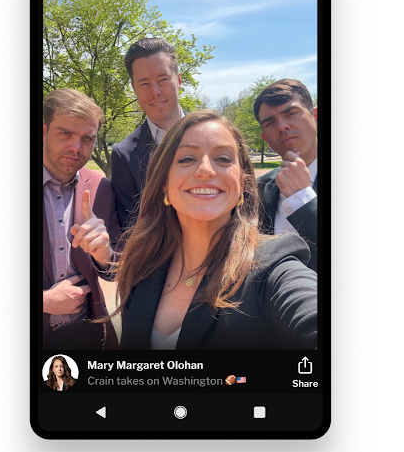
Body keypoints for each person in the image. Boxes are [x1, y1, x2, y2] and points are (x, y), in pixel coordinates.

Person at [108, 109, 317, 350]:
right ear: (164, 183)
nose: (206, 169)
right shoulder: (143, 263)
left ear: (242, 184)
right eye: (186, 158)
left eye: (224, 159)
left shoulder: (273, 268)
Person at [43, 88, 120, 350]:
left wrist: (104, 253)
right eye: (65, 133)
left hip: (87, 334)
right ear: (44, 131)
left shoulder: (102, 188)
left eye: (87, 138)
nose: (76, 148)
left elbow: (114, 269)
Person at [111, 37, 185, 229]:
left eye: (163, 79)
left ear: (178, 80)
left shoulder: (215, 137)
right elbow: (132, 230)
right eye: (144, 83)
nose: (155, 91)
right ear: (134, 89)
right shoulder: (124, 156)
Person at [253, 79, 318, 271]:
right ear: (265, 138)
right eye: (270, 122)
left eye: (291, 113)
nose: (281, 126)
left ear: (315, 117)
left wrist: (302, 197)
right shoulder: (259, 188)